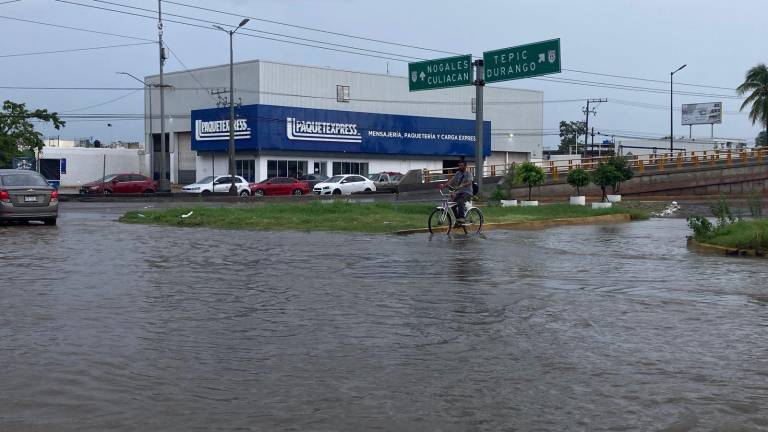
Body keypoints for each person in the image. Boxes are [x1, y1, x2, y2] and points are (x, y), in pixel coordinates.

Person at [439, 158, 473, 222]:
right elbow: (451, 180)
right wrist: (444, 186)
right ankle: (458, 221)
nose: (460, 167)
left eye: (461, 165)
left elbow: (469, 182)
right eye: (459, 165)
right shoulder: (458, 173)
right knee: (452, 205)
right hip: (460, 192)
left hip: (467, 192)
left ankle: (462, 217)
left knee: (460, 201)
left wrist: (462, 185)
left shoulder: (469, 173)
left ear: (465, 166)